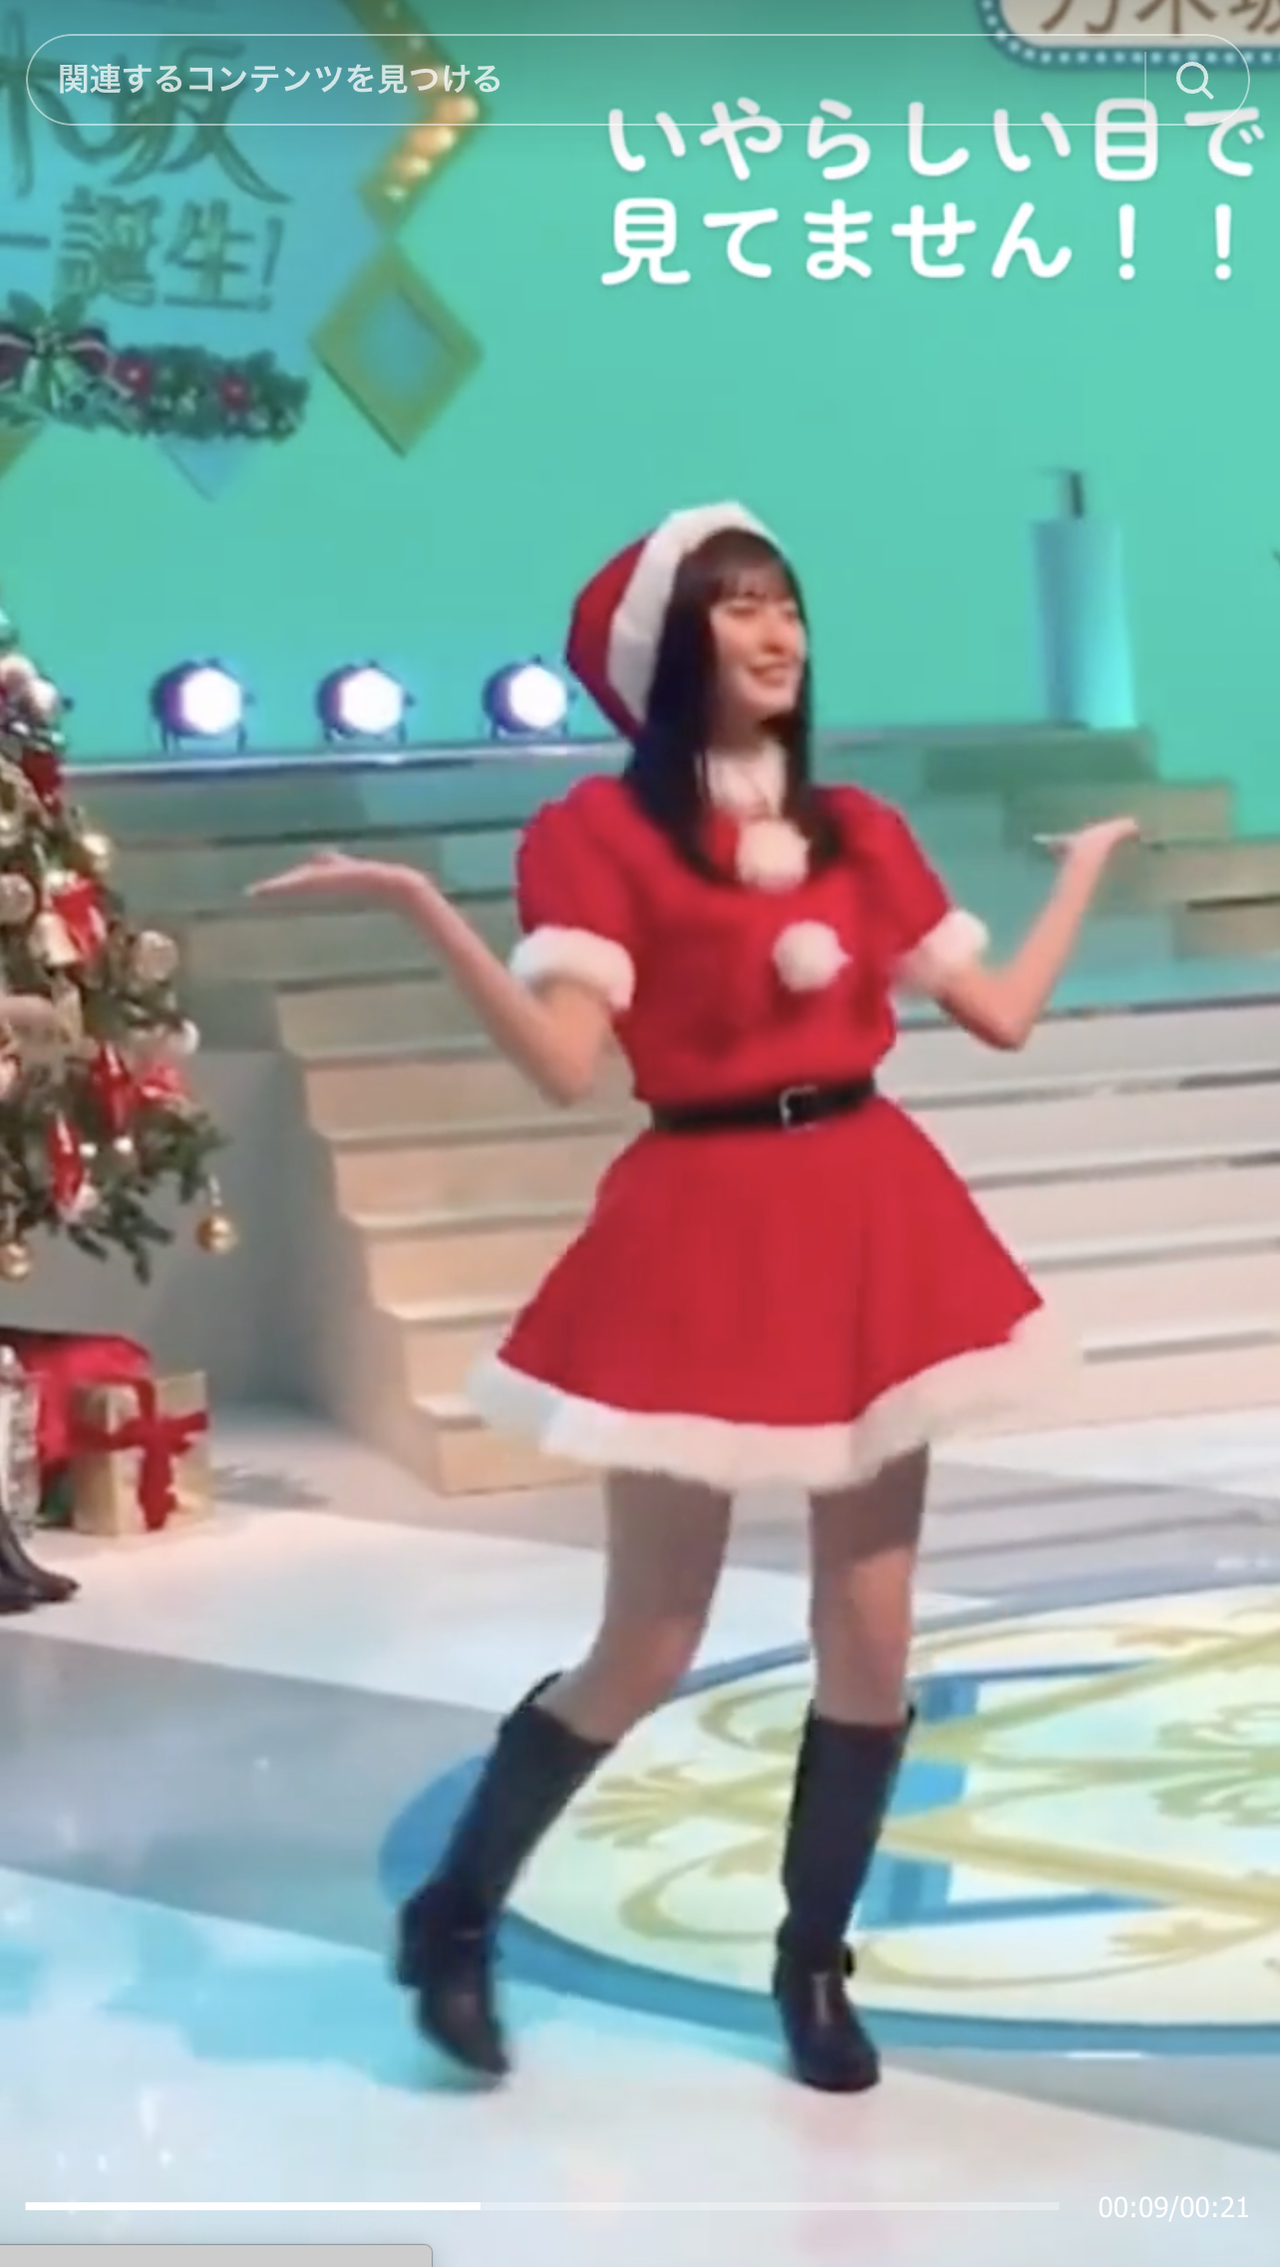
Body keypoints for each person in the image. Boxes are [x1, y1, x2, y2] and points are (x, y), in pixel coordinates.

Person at [250, 502, 1137, 2096]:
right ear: (672, 648)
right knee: (651, 1634)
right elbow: (561, 1064)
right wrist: (423, 908)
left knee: (872, 1627)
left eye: (786, 600)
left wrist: (1075, 876)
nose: (777, 631)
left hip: (870, 1212)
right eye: (737, 607)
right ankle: (455, 1912)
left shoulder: (862, 830)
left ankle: (815, 1962)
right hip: (702, 1222)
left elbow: (999, 1010)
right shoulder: (599, 834)